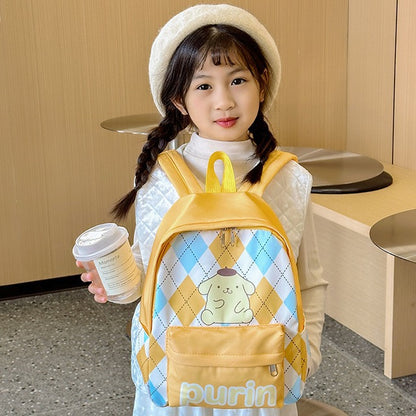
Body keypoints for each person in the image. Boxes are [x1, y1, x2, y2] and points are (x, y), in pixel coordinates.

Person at [77, 4, 328, 416]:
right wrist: (115, 279)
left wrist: (308, 355)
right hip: (175, 375)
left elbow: (310, 280)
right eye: (204, 86)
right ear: (178, 99)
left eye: (238, 80)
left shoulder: (290, 178)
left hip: (261, 377)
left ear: (262, 84)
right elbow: (145, 272)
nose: (225, 101)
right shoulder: (162, 176)